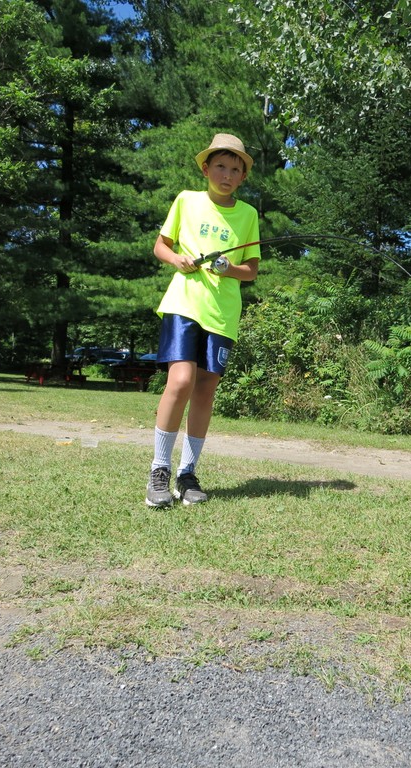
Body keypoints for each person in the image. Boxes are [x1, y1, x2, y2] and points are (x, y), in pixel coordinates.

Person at [145, 133, 261, 507]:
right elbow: (160, 246)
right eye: (220, 167)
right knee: (181, 381)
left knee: (206, 389)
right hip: (184, 304)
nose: (227, 175)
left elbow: (251, 270)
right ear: (206, 169)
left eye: (235, 169)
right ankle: (159, 471)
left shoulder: (248, 215)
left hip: (223, 314)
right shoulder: (186, 201)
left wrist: (229, 268)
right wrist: (176, 259)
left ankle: (187, 474)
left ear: (243, 176)